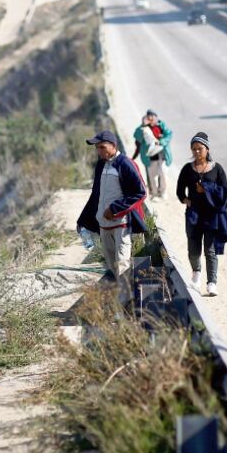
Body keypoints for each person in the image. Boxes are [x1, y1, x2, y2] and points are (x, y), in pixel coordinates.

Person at [77, 130, 147, 306]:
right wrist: (83, 220)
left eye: (102, 147)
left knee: (122, 263)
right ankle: (122, 298)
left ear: (113, 146)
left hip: (121, 224)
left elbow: (141, 192)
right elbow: (96, 195)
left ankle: (124, 303)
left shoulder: (125, 164)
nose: (99, 151)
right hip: (104, 225)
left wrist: (115, 209)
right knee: (111, 266)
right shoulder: (101, 165)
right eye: (97, 148)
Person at [175, 132, 227, 295]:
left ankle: (212, 283)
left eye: (200, 149)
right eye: (194, 149)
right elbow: (179, 190)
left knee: (210, 250)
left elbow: (224, 192)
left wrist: (207, 187)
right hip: (194, 215)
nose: (197, 152)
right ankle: (196, 273)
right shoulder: (187, 169)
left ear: (207, 149)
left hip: (212, 215)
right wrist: (185, 200)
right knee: (193, 248)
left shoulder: (217, 169)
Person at [132, 109, 172, 199]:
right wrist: (143, 125)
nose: (151, 120)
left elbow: (169, 134)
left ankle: (163, 191)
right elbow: (137, 137)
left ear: (156, 118)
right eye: (149, 118)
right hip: (150, 155)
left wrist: (161, 141)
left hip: (162, 154)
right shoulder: (144, 128)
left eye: (153, 118)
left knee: (163, 173)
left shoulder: (162, 126)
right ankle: (154, 193)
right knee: (152, 175)